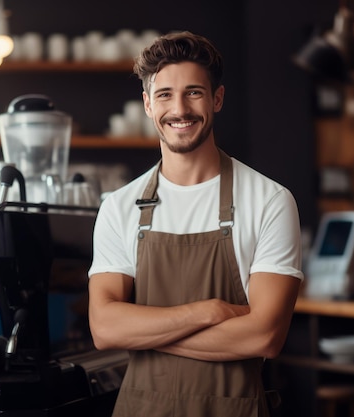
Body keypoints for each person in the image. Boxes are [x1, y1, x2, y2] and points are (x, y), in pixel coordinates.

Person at [87, 31, 304, 417]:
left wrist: (144, 334)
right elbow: (105, 329)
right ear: (148, 105)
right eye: (165, 95)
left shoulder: (270, 201)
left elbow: (266, 336)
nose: (180, 109)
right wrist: (209, 311)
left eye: (194, 92)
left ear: (217, 98)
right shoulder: (119, 207)